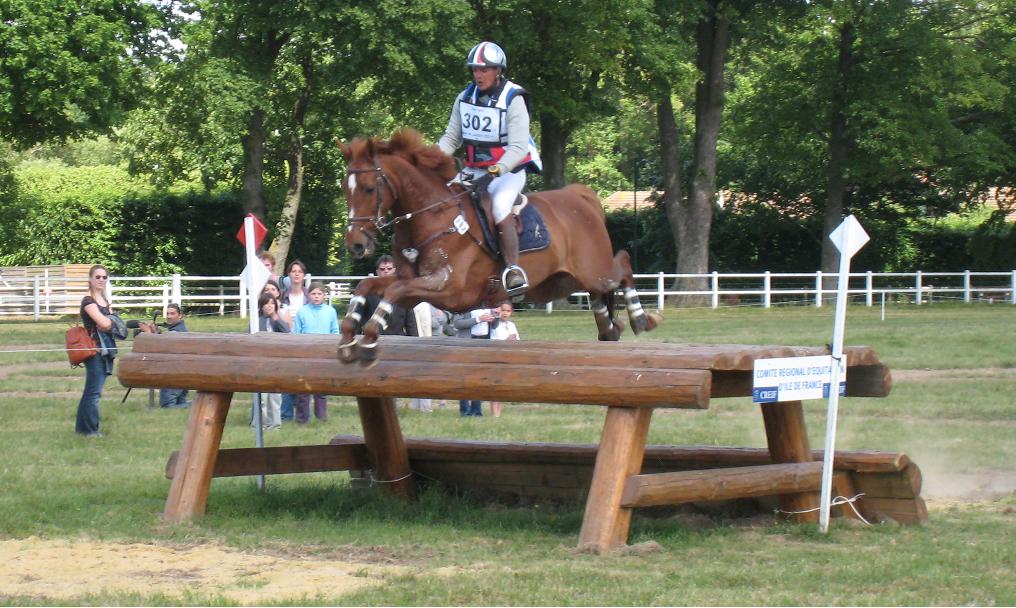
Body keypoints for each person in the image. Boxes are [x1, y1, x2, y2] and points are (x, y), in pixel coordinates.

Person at [438, 41, 543, 297]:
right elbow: (452, 138)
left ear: (498, 71)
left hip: (509, 169)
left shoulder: (513, 98)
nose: (478, 74)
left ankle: (513, 270)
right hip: (474, 168)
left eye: (484, 70)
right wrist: (429, 159)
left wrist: (495, 172)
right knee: (446, 200)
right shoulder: (464, 97)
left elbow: (518, 147)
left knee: (497, 206)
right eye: (475, 69)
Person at [75, 264, 116, 437]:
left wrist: (109, 323)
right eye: (97, 277)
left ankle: (82, 429)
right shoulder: (88, 301)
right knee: (94, 393)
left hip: (106, 350)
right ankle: (90, 430)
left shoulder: (105, 302)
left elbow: (111, 324)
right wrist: (110, 322)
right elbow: (108, 323)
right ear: (90, 279)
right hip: (94, 351)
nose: (101, 280)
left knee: (91, 391)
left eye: (104, 277)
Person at [292, 282, 339, 423]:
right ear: (308, 295)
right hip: (306, 353)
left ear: (324, 295)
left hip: (324, 354)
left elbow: (335, 331)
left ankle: (321, 417)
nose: (316, 297)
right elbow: (296, 332)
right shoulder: (302, 311)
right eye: (313, 294)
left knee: (321, 388)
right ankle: (302, 419)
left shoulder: (330, 311)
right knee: (303, 389)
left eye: (319, 294)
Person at [448, 307, 498, 417]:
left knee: (480, 378)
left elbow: (494, 326)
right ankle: (465, 410)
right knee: (464, 378)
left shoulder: (488, 304)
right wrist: (478, 319)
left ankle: (477, 410)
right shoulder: (464, 303)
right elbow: (457, 323)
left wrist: (496, 316)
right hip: (467, 344)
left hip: (484, 343)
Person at [252, 292, 289, 430]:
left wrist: (275, 317)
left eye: (272, 303)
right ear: (261, 306)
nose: (269, 306)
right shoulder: (257, 321)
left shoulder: (278, 320)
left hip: (276, 364)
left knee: (275, 397)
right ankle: (260, 424)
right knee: (261, 397)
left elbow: (287, 332)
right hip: (260, 363)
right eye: (266, 303)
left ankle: (275, 424)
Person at [358, 255, 419, 338]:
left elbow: (411, 325)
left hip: (398, 342)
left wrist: (415, 344)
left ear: (394, 270)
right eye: (382, 269)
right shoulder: (368, 294)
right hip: (374, 341)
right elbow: (359, 321)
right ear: (377, 272)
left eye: (389, 269)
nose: (386, 271)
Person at [279, 261, 309, 422]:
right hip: (287, 339)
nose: (296, 274)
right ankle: (286, 413)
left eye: (299, 271)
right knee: (286, 376)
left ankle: (302, 413)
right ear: (289, 275)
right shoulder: (282, 295)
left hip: (305, 341)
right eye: (293, 271)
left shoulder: (310, 296)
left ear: (304, 275)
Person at [489, 301, 520, 418]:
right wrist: (507, 340)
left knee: (502, 386)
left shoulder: (511, 325)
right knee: (494, 386)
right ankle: (494, 413)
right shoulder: (495, 324)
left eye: (508, 311)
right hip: (496, 358)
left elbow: (517, 339)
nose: (505, 313)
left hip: (508, 358)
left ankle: (499, 412)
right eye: (503, 310)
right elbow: (494, 341)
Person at [158, 303, 191, 409]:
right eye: (167, 314)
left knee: (167, 406)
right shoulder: (178, 329)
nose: (169, 316)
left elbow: (163, 347)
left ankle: (197, 405)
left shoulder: (177, 331)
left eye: (172, 313)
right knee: (179, 405)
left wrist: (150, 335)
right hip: (183, 374)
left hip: (174, 374)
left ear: (180, 315)